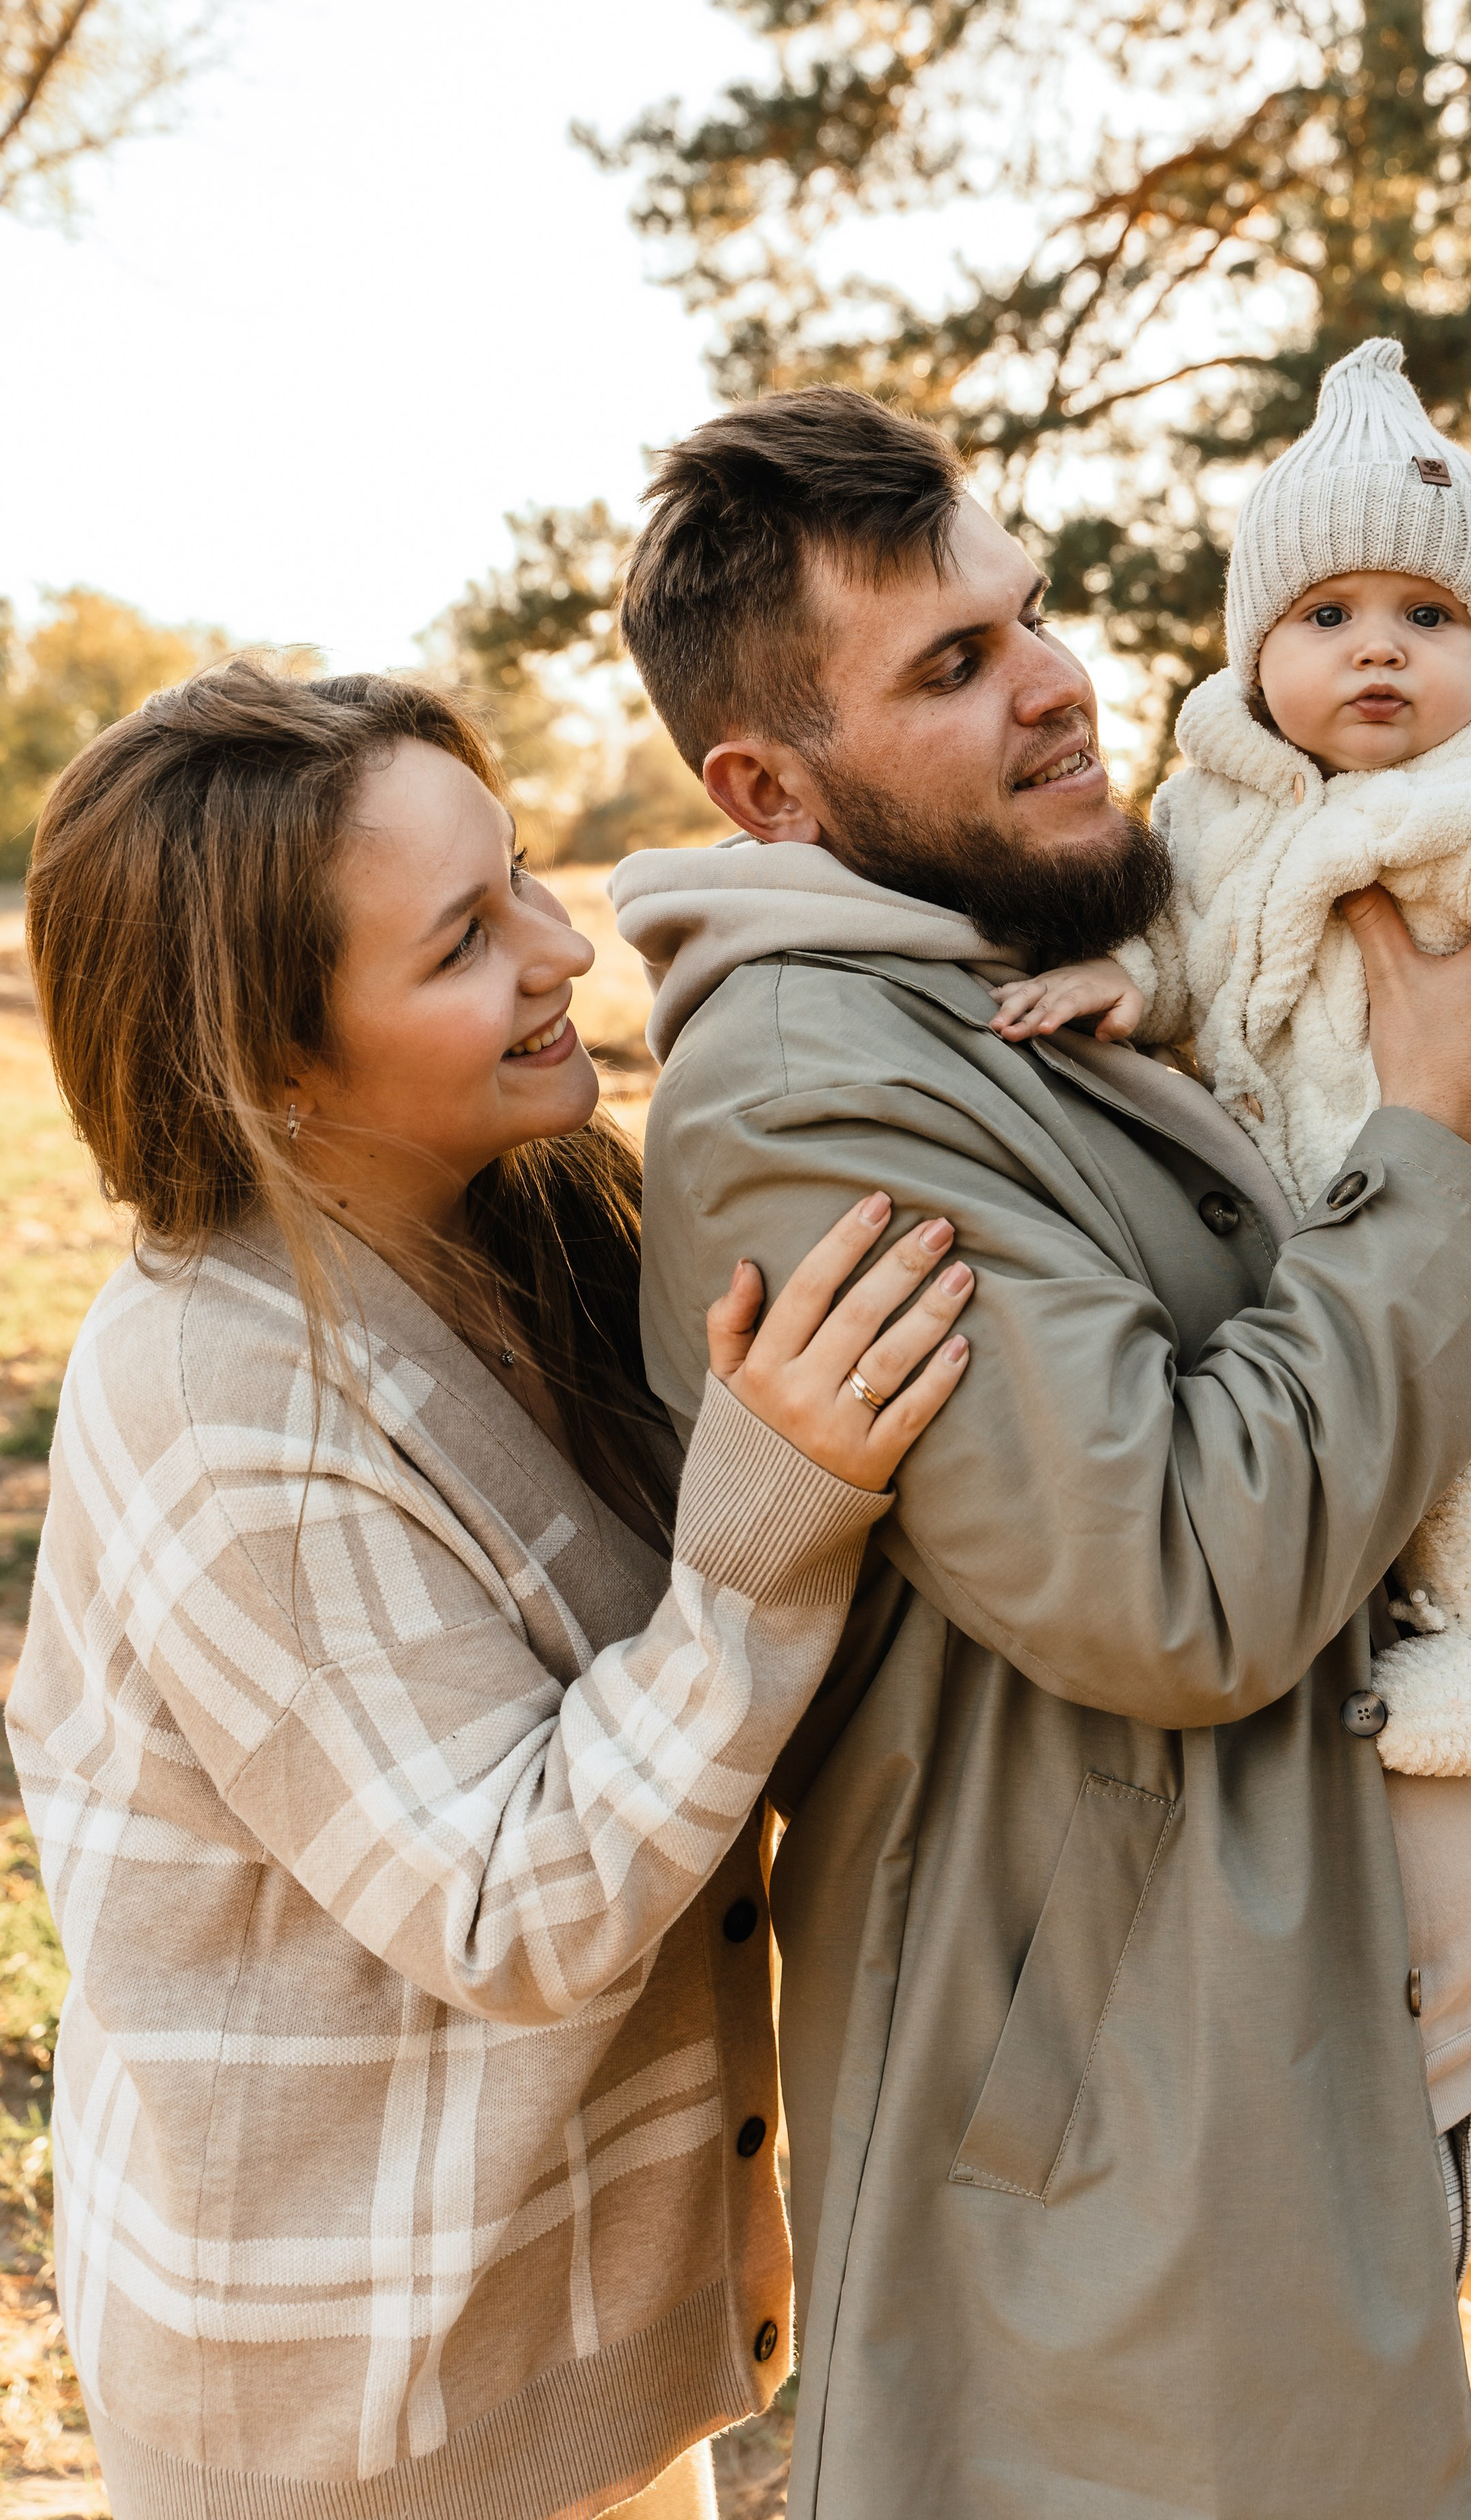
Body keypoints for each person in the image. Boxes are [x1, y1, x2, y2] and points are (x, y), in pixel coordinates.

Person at [609, 388, 1471, 2520]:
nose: (1055, 681)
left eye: (1024, 615)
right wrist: (1444, 1149)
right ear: (768, 785)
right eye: (950, 666)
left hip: (1268, 2031)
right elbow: (1175, 1577)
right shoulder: (812, 1090)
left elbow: (1295, 1381)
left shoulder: (1029, 970)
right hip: (1109, 2132)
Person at [7, 662, 973, 2520]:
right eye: (463, 940)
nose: (561, 948)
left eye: (523, 871)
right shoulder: (222, 1398)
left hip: (557, 2347)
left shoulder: (512, 1221)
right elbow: (512, 1898)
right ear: (275, 1058)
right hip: (362, 2427)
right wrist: (766, 1536)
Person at [986, 338, 1471, 1783]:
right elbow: (1181, 937)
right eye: (1327, 612)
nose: (1376, 645)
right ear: (1252, 654)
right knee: (1403, 1470)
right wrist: (1119, 979)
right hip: (1314, 1214)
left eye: (1426, 612)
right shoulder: (1212, 810)